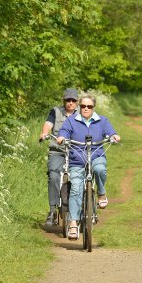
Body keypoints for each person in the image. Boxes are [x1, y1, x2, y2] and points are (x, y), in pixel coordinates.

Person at [56, 93, 120, 240]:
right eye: (83, 106)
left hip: (96, 156)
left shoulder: (102, 120)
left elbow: (111, 132)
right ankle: (73, 223)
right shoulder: (72, 121)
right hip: (77, 161)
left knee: (100, 169)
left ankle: (101, 193)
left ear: (93, 108)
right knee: (76, 188)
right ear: (79, 106)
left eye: (89, 106)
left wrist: (114, 136)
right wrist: (62, 137)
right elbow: (64, 132)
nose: (85, 109)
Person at [38, 88, 79, 227]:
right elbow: (48, 124)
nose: (71, 103)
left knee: (81, 177)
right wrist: (44, 133)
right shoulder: (55, 111)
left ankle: (86, 209)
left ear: (77, 102)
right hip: (57, 150)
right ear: (64, 100)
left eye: (73, 100)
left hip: (76, 152)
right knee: (54, 176)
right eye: (68, 100)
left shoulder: (82, 114)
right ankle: (52, 211)